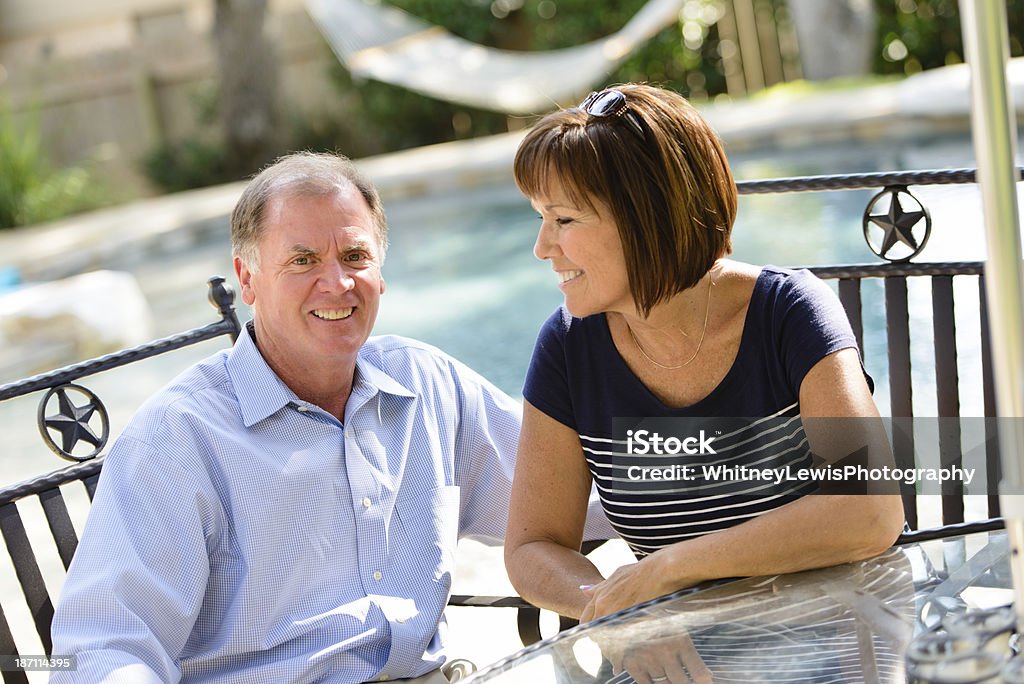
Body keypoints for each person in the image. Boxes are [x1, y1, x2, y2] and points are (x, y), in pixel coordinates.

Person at [51, 151, 610, 684]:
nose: (337, 283)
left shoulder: (426, 385)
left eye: (355, 257)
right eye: (303, 260)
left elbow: (577, 498)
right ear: (247, 280)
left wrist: (687, 494)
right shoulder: (177, 439)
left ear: (382, 273)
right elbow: (105, 644)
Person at [504, 84, 906, 632]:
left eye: (565, 220)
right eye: (540, 219)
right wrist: (617, 607)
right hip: (685, 653)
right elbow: (533, 546)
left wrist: (671, 569)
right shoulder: (569, 346)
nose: (543, 247)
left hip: (838, 635)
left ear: (646, 219)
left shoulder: (788, 314)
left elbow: (869, 509)